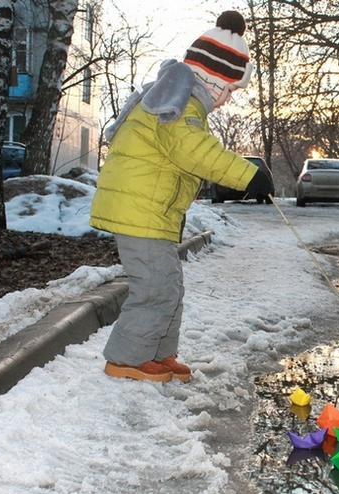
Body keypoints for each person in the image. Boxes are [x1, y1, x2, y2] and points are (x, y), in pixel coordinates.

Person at [90, 11, 258, 383]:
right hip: (139, 210)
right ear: (214, 80)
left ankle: (158, 353)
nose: (228, 99)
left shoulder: (177, 96)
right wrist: (248, 175)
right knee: (155, 287)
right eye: (230, 90)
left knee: (169, 285)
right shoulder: (178, 102)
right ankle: (127, 358)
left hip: (150, 211)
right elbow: (192, 149)